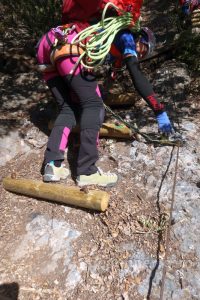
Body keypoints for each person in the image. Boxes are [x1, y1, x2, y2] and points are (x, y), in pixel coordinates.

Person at [36, 21, 174, 186]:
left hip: (48, 45)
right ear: (139, 39)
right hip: (69, 45)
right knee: (94, 105)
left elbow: (105, 79)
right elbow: (136, 75)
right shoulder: (126, 36)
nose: (140, 55)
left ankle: (52, 166)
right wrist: (159, 110)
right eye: (143, 49)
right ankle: (87, 171)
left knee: (68, 109)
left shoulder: (112, 43)